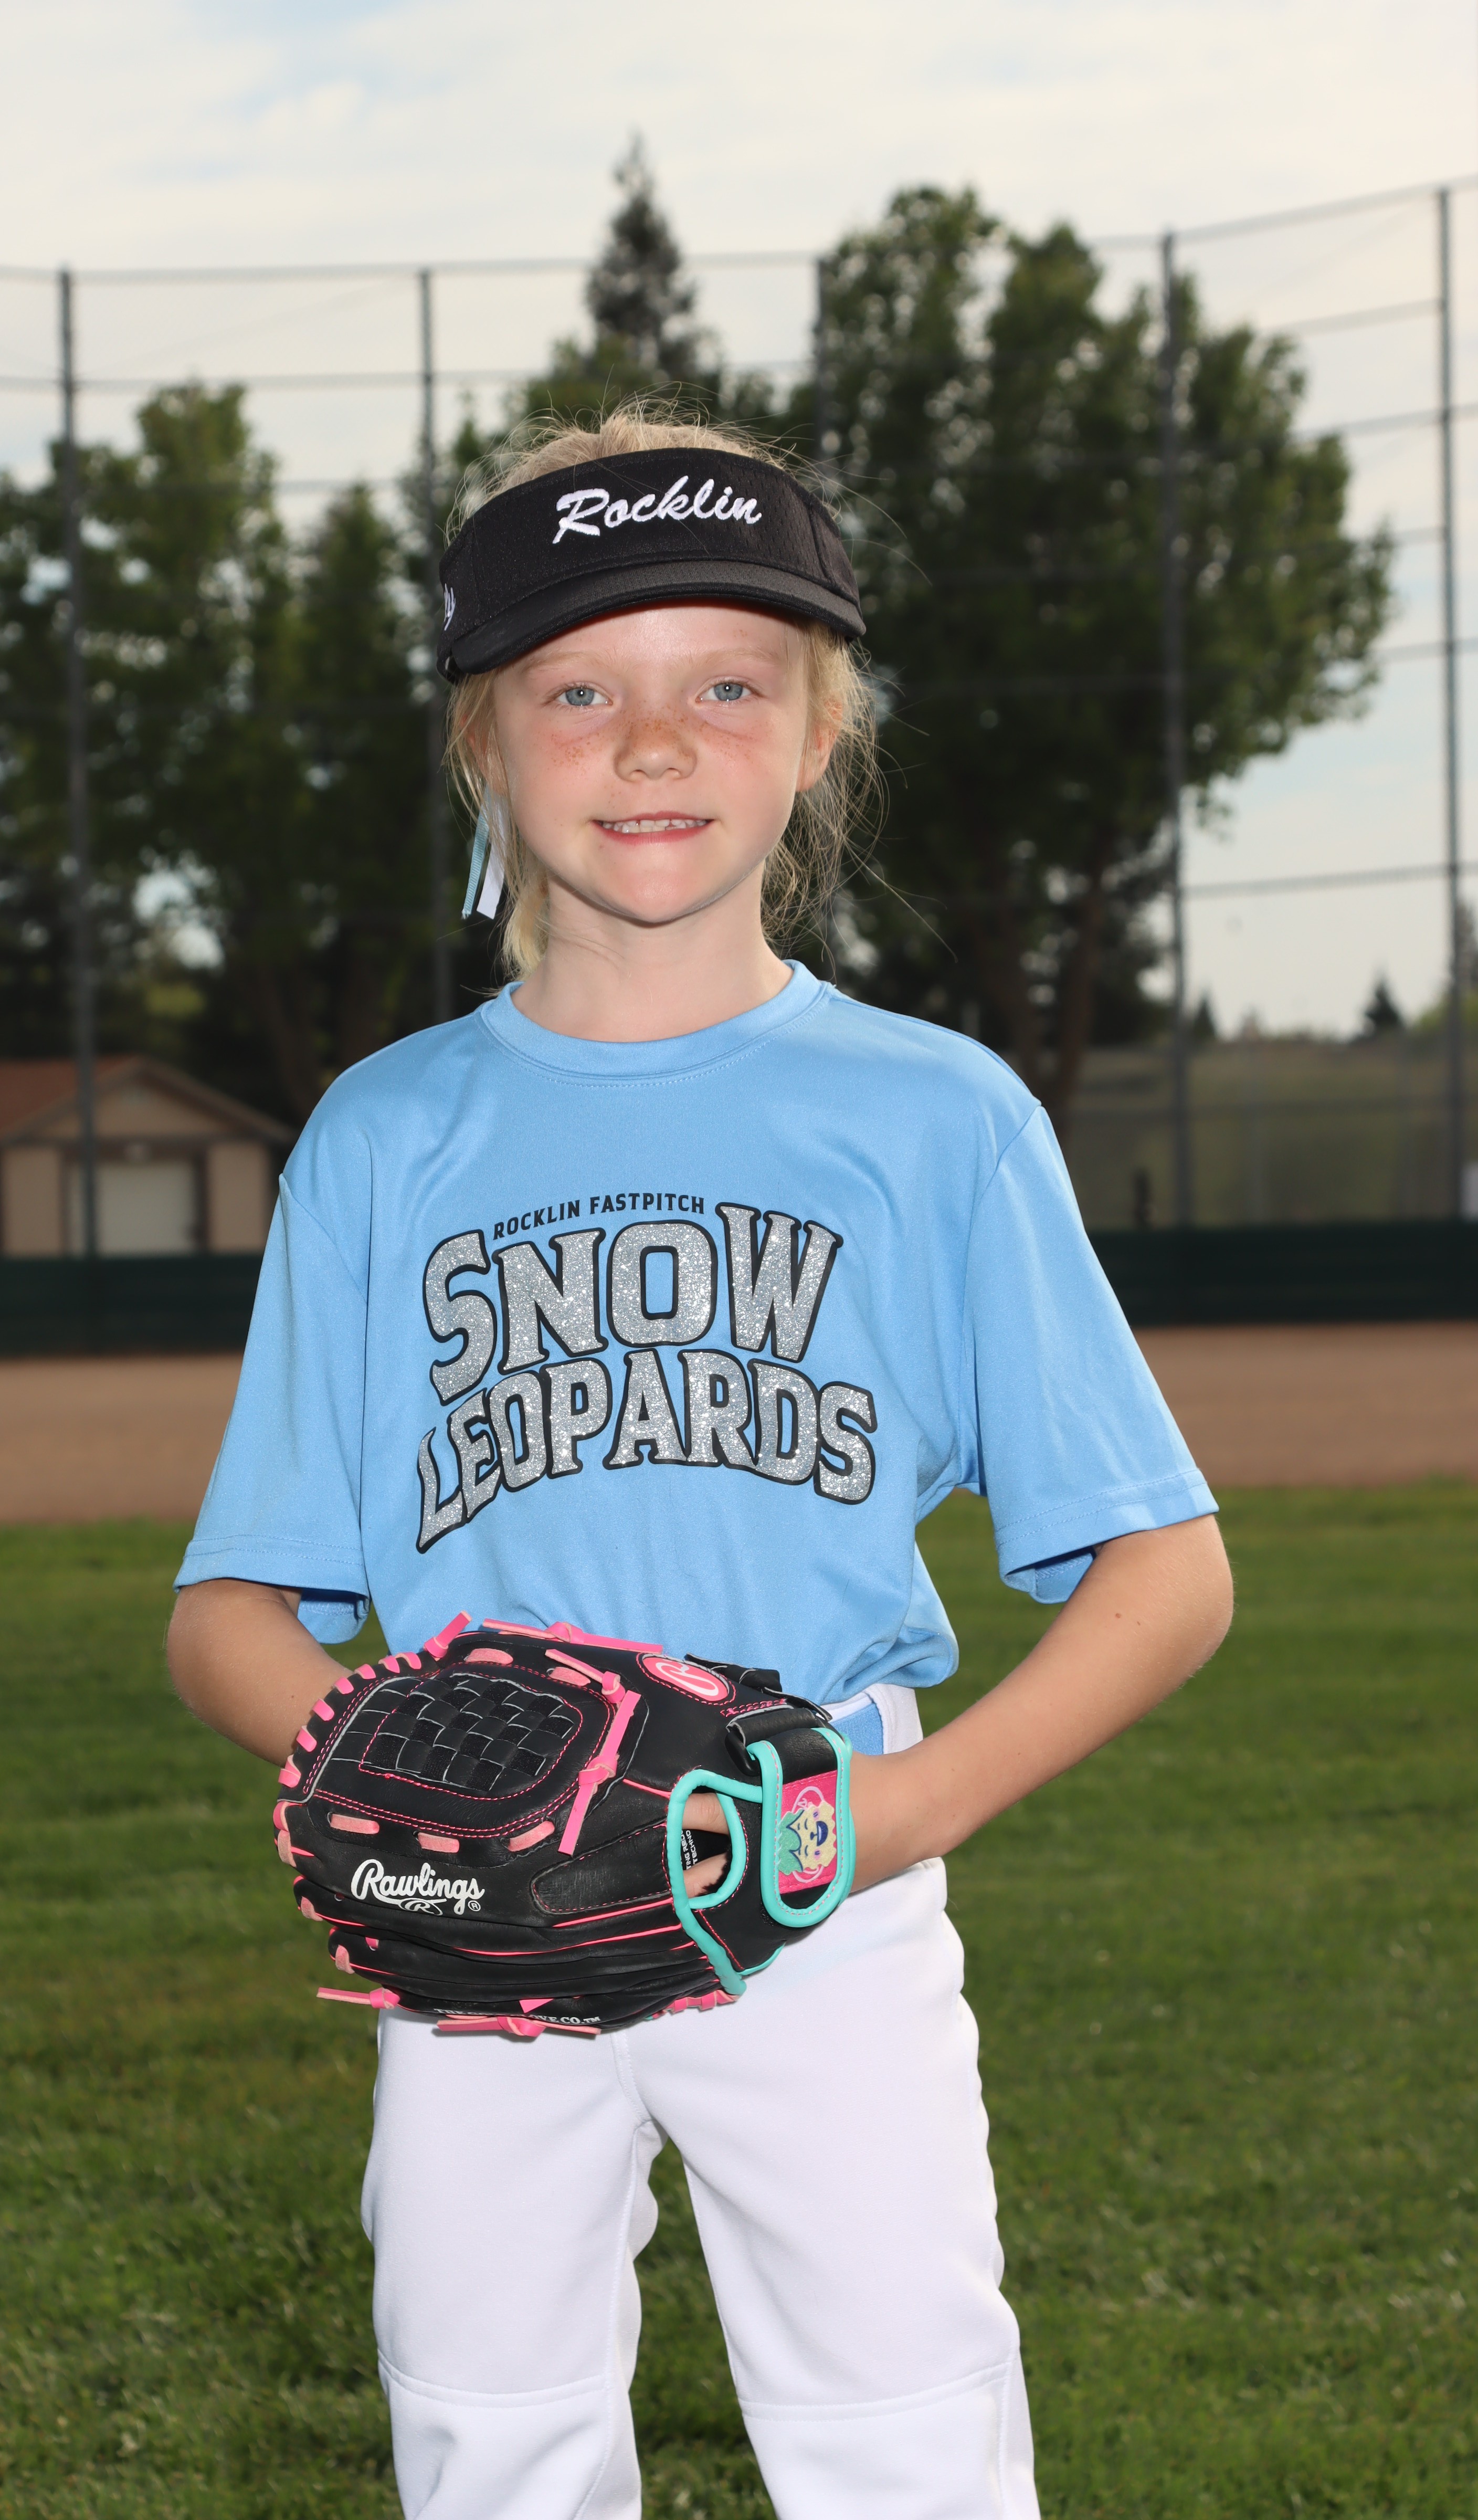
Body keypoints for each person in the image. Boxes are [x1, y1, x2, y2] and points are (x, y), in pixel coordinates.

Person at [166, 406, 1233, 2520]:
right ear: (484, 742)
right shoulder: (387, 1135)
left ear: (819, 734)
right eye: (579, 688)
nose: (652, 740)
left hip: (821, 1865)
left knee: (903, 2439)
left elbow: (1167, 1572)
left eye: (726, 683)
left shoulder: (933, 1116)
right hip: (484, 1924)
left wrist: (888, 1815)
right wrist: (408, 1807)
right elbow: (228, 1613)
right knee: (489, 2434)